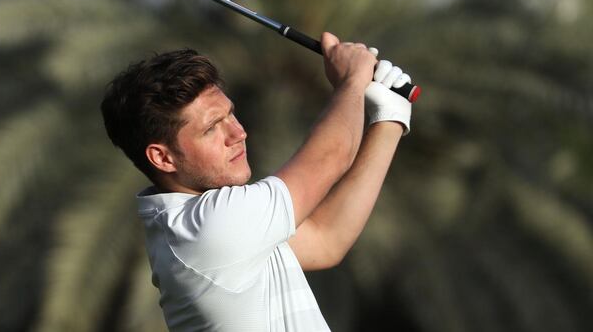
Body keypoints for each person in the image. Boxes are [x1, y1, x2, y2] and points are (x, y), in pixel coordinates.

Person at [100, 32, 413, 331]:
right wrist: (352, 80)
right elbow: (332, 157)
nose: (238, 134)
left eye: (230, 115)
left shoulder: (206, 228)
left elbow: (325, 239)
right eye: (211, 129)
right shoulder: (207, 227)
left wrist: (390, 117)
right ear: (163, 158)